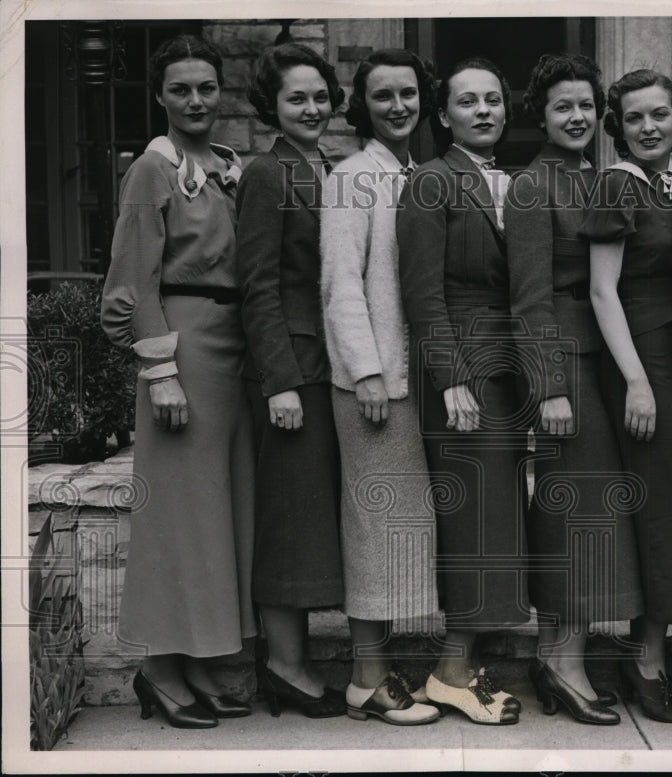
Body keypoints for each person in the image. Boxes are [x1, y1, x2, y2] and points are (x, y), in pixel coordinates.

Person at [101, 34, 255, 728]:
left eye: (206, 87)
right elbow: (131, 284)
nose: (196, 100)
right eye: (181, 89)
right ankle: (158, 668)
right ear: (161, 96)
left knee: (215, 520)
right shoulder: (152, 171)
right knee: (175, 518)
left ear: (220, 92)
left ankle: (196, 658)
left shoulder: (226, 168)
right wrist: (161, 371)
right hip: (182, 350)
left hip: (232, 351)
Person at [504, 53, 643, 727]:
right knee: (574, 517)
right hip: (566, 365)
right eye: (563, 106)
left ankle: (568, 653)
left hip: (606, 360)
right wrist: (549, 386)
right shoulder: (533, 186)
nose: (578, 117)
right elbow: (528, 300)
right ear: (542, 113)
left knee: (599, 515)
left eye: (587, 105)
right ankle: (560, 660)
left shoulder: (600, 179)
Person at [396, 57, 527, 725]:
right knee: (476, 522)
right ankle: (449, 669)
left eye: (493, 99)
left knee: (498, 521)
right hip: (464, 374)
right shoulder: (430, 181)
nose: (483, 110)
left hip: (507, 370)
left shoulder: (510, 183)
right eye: (467, 101)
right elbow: (422, 294)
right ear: (442, 115)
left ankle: (463, 662)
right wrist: (450, 377)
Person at [581, 69, 672, 724]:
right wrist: (634, 378)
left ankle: (645, 648)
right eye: (634, 118)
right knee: (667, 507)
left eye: (659, 114)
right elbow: (602, 291)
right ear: (619, 126)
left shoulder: (671, 187)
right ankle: (647, 659)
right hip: (643, 361)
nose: (649, 127)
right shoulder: (616, 184)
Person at [320, 48, 441, 726]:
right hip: (374, 384)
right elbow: (340, 285)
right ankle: (365, 678)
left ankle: (383, 664)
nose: (398, 105)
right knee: (374, 528)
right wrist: (365, 370)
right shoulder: (350, 178)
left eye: (408, 93)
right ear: (362, 105)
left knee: (402, 532)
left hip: (414, 380)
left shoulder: (416, 175)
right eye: (383, 95)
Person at [237, 42, 347, 718]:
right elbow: (258, 285)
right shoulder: (266, 173)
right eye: (296, 98)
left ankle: (294, 660)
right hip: (292, 371)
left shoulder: (331, 168)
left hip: (330, 365)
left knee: (311, 519)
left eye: (318, 96)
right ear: (271, 107)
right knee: (287, 520)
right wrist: (278, 378)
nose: (311, 108)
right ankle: (284, 664)